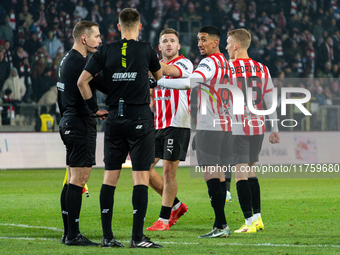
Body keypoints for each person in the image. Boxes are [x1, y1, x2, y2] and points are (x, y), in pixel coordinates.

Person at [77, 8, 163, 248]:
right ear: (140, 26)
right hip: (140, 117)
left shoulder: (105, 50)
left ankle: (107, 237)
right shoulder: (146, 48)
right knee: (140, 178)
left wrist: (94, 109)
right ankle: (137, 238)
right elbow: (158, 77)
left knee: (109, 178)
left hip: (113, 118)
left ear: (117, 27)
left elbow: (82, 81)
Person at [157, 25, 232, 238]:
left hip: (211, 125)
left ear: (215, 42)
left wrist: (159, 81)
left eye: (203, 39)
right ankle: (220, 224)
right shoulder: (226, 63)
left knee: (211, 176)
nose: (199, 43)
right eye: (198, 39)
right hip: (225, 124)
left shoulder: (209, 62)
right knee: (217, 175)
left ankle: (221, 226)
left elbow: (191, 83)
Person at [57, 20, 109, 246]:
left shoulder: (66, 59)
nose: (100, 40)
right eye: (96, 36)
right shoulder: (80, 62)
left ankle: (68, 231)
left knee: (71, 180)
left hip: (68, 121)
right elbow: (104, 84)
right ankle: (73, 235)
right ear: (84, 39)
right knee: (79, 179)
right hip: (79, 123)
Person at [225, 28, 280, 233]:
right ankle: (257, 217)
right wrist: (274, 128)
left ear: (236, 46)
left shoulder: (227, 68)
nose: (226, 47)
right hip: (257, 127)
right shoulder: (262, 68)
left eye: (228, 43)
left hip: (237, 127)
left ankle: (248, 222)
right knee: (250, 172)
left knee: (240, 175)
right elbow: (270, 101)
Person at [146, 28, 193, 231]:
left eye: (172, 41)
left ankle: (164, 220)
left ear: (178, 45)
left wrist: (145, 63)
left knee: (168, 172)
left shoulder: (183, 63)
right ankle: (175, 205)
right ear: (159, 46)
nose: (168, 44)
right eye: (165, 41)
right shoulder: (155, 69)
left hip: (177, 124)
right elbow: (151, 96)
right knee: (143, 169)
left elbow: (170, 71)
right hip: (157, 125)